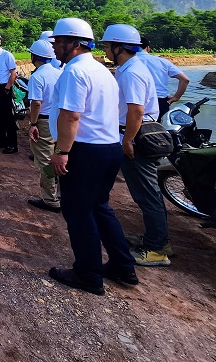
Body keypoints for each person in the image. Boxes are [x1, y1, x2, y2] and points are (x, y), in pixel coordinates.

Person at [47, 18, 136, 295]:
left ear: (73, 44)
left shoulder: (74, 73)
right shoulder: (101, 71)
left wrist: (62, 152)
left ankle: (88, 274)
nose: (54, 48)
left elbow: (72, 115)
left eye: (58, 42)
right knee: (100, 207)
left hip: (84, 150)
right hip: (108, 148)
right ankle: (123, 265)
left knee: (78, 212)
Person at [102, 25, 172, 267]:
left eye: (107, 45)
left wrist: (127, 140)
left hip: (138, 135)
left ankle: (156, 249)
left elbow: (136, 110)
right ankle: (156, 239)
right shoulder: (129, 68)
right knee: (147, 192)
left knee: (147, 194)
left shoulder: (131, 72)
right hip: (137, 132)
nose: (105, 49)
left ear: (118, 47)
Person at [26, 39, 62, 213]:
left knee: (45, 161)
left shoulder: (37, 76)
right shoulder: (59, 73)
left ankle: (51, 199)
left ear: (34, 56)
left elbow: (36, 103)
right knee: (59, 156)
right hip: (60, 120)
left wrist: (33, 123)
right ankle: (60, 194)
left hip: (44, 121)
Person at [138, 36, 190, 121]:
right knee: (159, 131)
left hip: (136, 102)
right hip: (160, 102)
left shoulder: (128, 62)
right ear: (147, 48)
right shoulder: (162, 61)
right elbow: (185, 80)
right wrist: (176, 97)